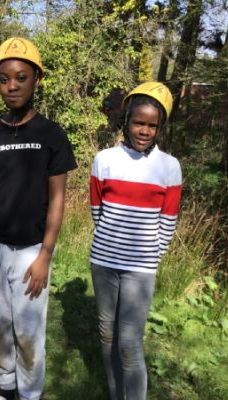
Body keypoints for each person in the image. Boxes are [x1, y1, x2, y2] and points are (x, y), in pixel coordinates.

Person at [0, 37, 77, 400]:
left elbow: (58, 198)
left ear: (36, 79)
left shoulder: (51, 135)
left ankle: (30, 393)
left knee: (28, 330)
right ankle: (5, 386)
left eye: (21, 77)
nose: (12, 86)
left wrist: (46, 254)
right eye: (3, 79)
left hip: (31, 248)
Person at [89, 82, 182, 400]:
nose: (144, 131)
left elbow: (168, 220)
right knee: (107, 336)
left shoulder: (169, 167)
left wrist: (151, 255)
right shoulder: (104, 160)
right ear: (126, 121)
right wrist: (110, 242)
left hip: (140, 268)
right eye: (138, 122)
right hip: (103, 262)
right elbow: (97, 209)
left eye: (152, 126)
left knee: (129, 343)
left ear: (160, 128)